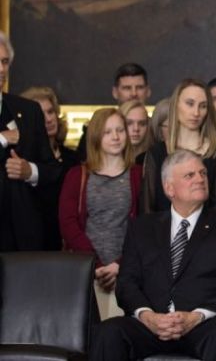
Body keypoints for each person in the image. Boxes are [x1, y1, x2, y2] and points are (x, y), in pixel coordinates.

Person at [89, 150, 216, 361]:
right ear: (169, 188)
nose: (200, 179)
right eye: (189, 175)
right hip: (151, 326)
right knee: (108, 332)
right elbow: (126, 283)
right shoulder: (142, 227)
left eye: (203, 173)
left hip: (205, 325)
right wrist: (148, 317)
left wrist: (196, 316)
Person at [59, 108, 142, 319]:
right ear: (96, 136)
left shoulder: (139, 174)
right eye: (107, 132)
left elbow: (145, 226)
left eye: (120, 130)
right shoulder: (77, 175)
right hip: (85, 273)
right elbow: (68, 224)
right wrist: (94, 264)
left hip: (127, 273)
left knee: (120, 337)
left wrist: (120, 265)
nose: (115, 137)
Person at [0, 32, 58, 251]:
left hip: (22, 237)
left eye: (5, 62)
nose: (1, 69)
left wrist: (29, 171)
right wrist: (2, 139)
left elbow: (52, 169)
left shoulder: (28, 110)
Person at [141, 79, 216, 213]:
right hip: (163, 232)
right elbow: (148, 208)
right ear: (176, 105)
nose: (196, 113)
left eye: (203, 106)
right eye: (190, 104)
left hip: (210, 231)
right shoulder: (156, 152)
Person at [20, 86, 80, 250]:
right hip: (32, 244)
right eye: (40, 114)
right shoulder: (23, 162)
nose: (48, 119)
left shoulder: (73, 158)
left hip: (68, 244)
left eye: (51, 112)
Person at [77, 62, 151, 160]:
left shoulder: (156, 131)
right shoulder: (95, 130)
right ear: (115, 92)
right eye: (127, 88)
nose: (134, 93)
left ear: (148, 91)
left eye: (139, 87)